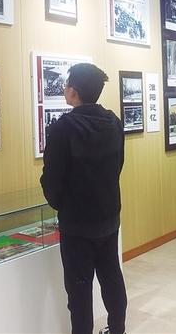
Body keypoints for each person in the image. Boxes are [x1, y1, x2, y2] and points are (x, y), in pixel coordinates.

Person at [41, 63, 127, 334]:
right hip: (109, 215)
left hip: (77, 223)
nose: (65, 88)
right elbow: (118, 165)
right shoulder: (113, 122)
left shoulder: (62, 129)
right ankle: (117, 329)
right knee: (111, 276)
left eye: (67, 84)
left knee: (79, 289)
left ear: (73, 91)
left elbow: (52, 178)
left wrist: (61, 204)